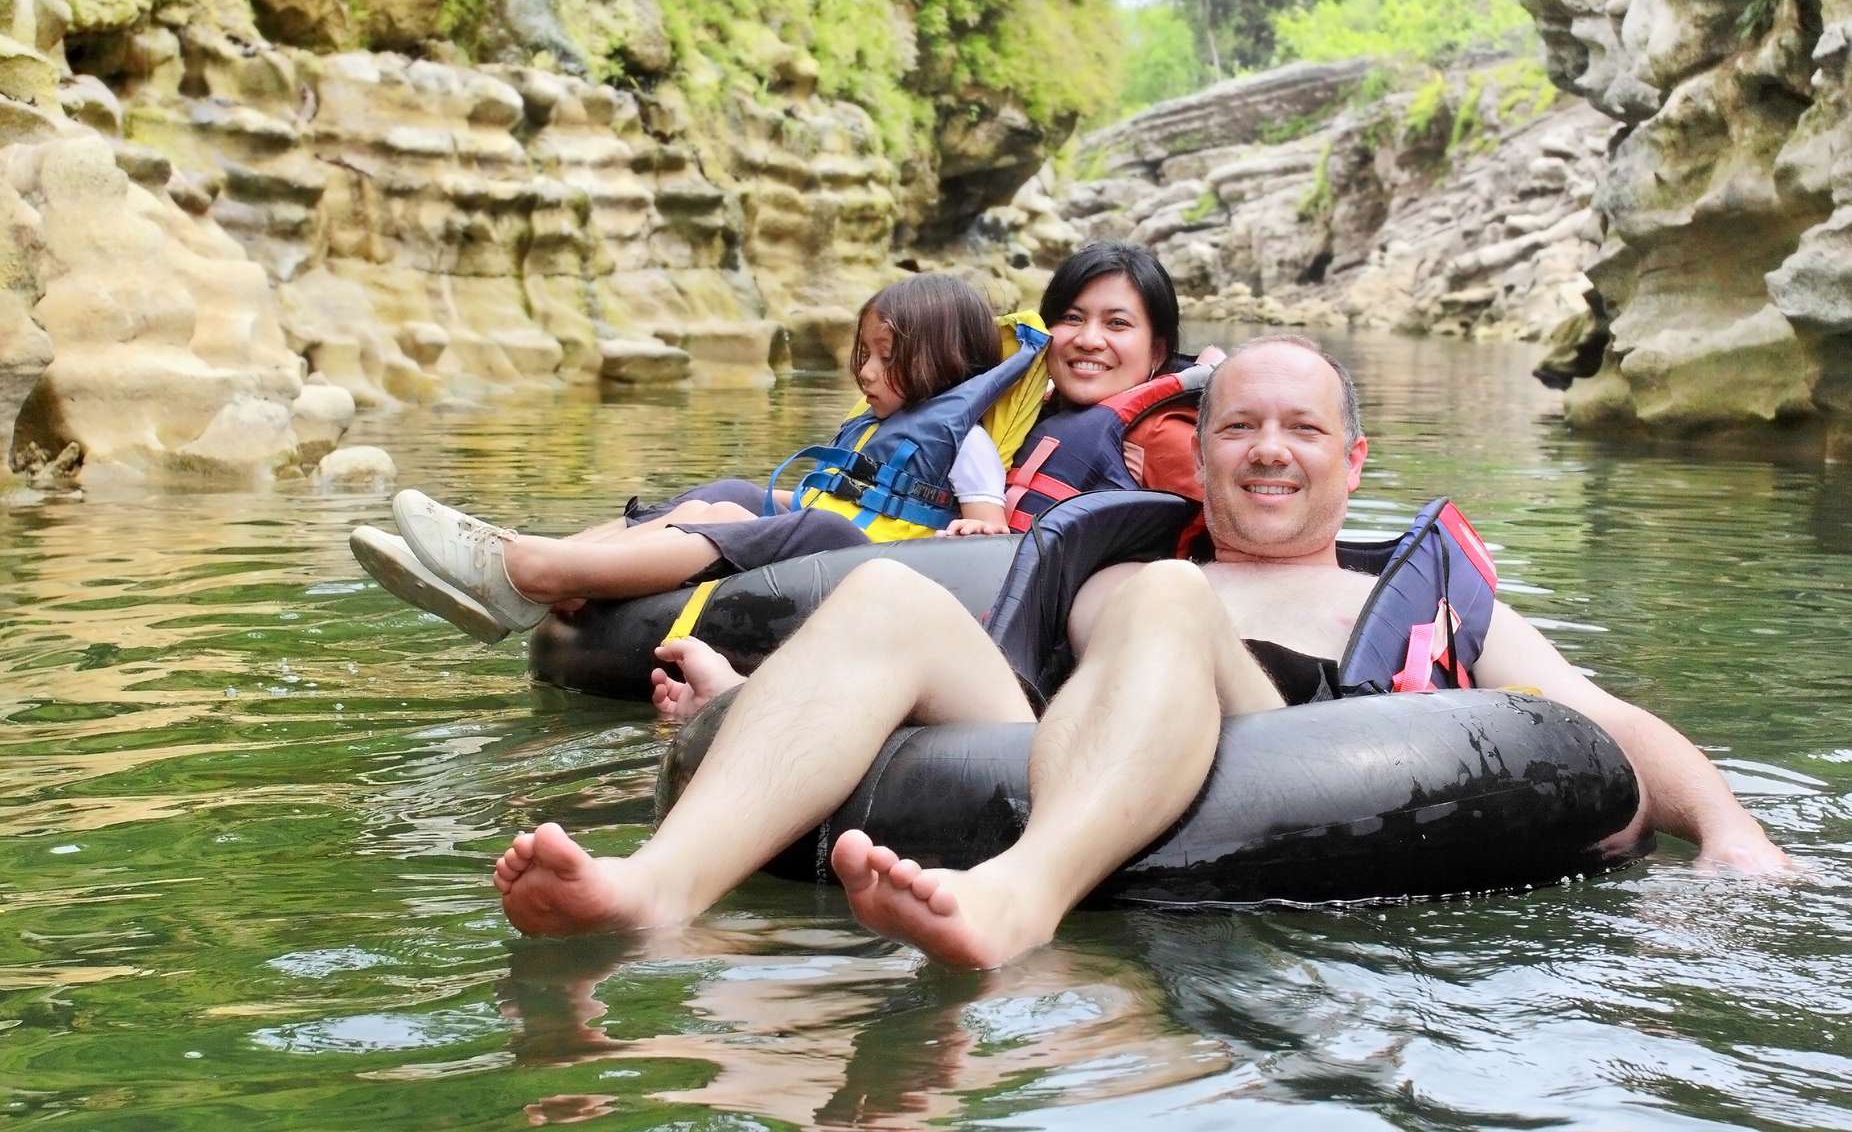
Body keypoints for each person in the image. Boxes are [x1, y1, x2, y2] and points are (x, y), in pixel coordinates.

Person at [489, 334, 1795, 969]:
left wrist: (1730, 834)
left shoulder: (1428, 599)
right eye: (1239, 428)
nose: (1269, 449)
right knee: (896, 597)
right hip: (1078, 724)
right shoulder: (1130, 559)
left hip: (1305, 749)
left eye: (1300, 429)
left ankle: (1020, 895)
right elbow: (957, 701)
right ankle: (656, 890)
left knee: (1167, 607)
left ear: (1354, 464)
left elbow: (1595, 723)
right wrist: (733, 703)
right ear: (1198, 451)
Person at [350, 243, 1206, 644]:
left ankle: (532, 575)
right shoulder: (1025, 409)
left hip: (974, 588)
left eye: (1117, 325)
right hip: (928, 553)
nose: (1087, 339)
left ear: (1158, 351)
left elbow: (1187, 546)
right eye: (1071, 318)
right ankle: (526, 566)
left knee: (813, 530)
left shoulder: (1151, 435)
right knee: (734, 490)